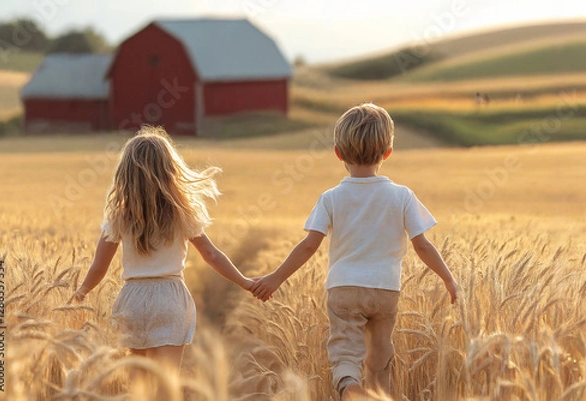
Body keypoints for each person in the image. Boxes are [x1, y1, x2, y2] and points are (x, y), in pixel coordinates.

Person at [251, 103, 458, 400]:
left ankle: (350, 388)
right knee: (380, 356)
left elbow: (310, 244)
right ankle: (378, 395)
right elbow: (422, 244)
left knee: (345, 352)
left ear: (338, 153)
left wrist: (276, 277)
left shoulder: (331, 198)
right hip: (386, 289)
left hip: (344, 288)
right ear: (388, 152)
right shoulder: (402, 195)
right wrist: (448, 278)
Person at [71, 126, 254, 372]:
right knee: (167, 385)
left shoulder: (118, 217)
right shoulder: (183, 214)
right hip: (170, 297)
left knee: (139, 386)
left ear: (126, 174)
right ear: (170, 170)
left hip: (132, 300)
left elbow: (99, 266)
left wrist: (81, 292)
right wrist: (244, 281)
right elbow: (211, 254)